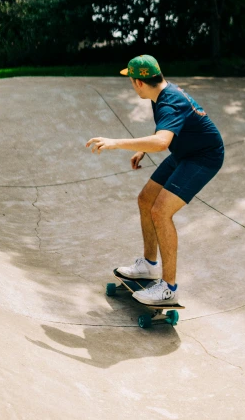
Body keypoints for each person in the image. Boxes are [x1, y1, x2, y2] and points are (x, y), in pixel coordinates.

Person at [86, 54, 224, 305]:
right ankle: (149, 265)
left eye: (131, 81)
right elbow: (166, 128)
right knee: (145, 199)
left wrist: (117, 143)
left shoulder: (168, 101)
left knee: (160, 211)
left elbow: (162, 142)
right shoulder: (161, 92)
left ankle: (168, 288)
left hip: (203, 157)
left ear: (139, 82)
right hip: (185, 151)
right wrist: (143, 148)